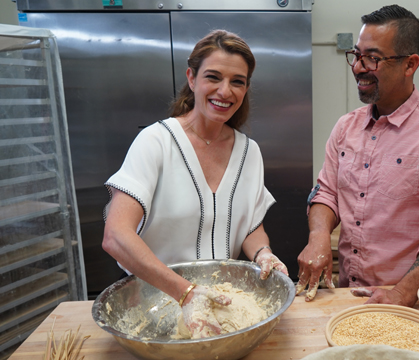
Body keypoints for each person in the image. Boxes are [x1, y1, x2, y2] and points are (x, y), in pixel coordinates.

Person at [102, 30, 288, 338]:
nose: (225, 91)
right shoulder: (156, 141)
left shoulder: (249, 152)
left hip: (225, 303)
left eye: (237, 81)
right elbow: (116, 235)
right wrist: (186, 293)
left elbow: (249, 224)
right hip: (155, 307)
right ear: (192, 78)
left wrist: (263, 253)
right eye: (213, 77)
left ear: (246, 88)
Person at [296, 5, 419, 307]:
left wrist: (401, 293)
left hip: (409, 301)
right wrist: (318, 237)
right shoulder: (346, 127)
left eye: (373, 58)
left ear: (410, 64)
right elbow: (327, 193)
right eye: (356, 55)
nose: (358, 67)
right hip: (345, 295)